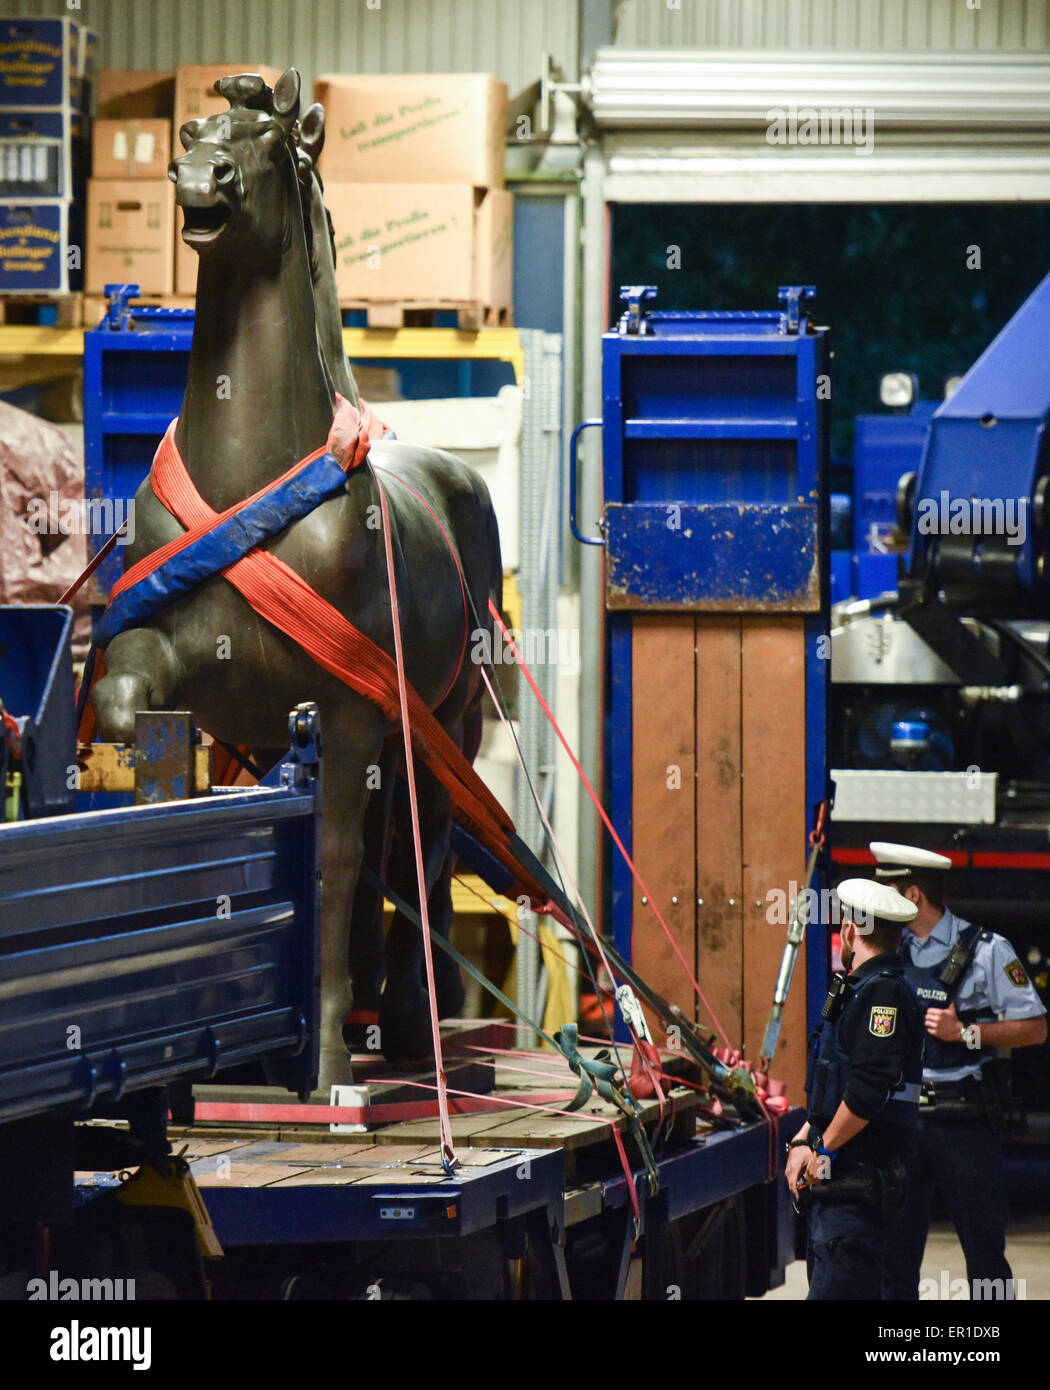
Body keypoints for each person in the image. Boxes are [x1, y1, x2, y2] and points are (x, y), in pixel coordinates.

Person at [871, 842, 1047, 1301]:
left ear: (912, 894)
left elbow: (1035, 1029)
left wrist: (964, 1033)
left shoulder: (989, 950)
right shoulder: (891, 950)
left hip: (964, 1122)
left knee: (984, 1248)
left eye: (887, 891)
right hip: (904, 1120)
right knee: (895, 1252)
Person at [785, 877, 924, 1300]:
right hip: (840, 1195)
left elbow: (867, 1092)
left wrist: (822, 1148)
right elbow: (839, 1084)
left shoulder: (882, 993)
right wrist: (803, 1138)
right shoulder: (860, 988)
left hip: (856, 1196)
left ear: (849, 930)